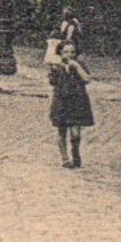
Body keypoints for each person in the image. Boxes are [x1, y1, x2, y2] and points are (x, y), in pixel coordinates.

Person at [47, 39, 94, 168]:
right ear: (60, 53)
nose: (69, 55)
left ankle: (75, 153)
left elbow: (87, 79)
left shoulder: (80, 65)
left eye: (72, 52)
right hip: (61, 101)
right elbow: (52, 82)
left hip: (77, 100)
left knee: (75, 132)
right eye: (66, 52)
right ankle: (65, 158)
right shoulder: (56, 67)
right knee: (61, 131)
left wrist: (77, 67)